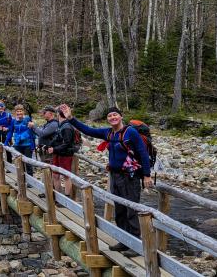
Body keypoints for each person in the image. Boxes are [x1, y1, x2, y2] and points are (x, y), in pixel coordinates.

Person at [61, 104, 153, 256]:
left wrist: (147, 175)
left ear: (121, 116)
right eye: (110, 116)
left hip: (130, 176)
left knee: (131, 209)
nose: (113, 117)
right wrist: (70, 118)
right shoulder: (108, 133)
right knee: (120, 210)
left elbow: (142, 153)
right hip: (115, 175)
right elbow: (88, 130)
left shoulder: (131, 132)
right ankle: (124, 241)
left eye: (115, 115)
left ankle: (136, 245)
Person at [46, 107, 78, 196]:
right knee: (55, 175)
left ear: (58, 114)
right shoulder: (61, 125)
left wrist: (54, 149)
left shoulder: (66, 127)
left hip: (65, 155)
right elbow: (58, 139)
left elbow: (67, 144)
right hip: (58, 154)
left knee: (66, 176)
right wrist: (50, 146)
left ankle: (66, 198)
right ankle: (58, 196)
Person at [5, 104, 35, 175]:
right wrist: (6, 141)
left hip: (27, 144)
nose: (19, 113)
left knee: (28, 162)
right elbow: (10, 131)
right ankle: (21, 179)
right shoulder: (13, 121)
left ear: (23, 112)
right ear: (15, 112)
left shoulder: (27, 119)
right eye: (17, 111)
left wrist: (33, 144)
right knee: (19, 163)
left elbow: (31, 132)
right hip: (18, 145)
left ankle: (30, 181)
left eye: (20, 111)